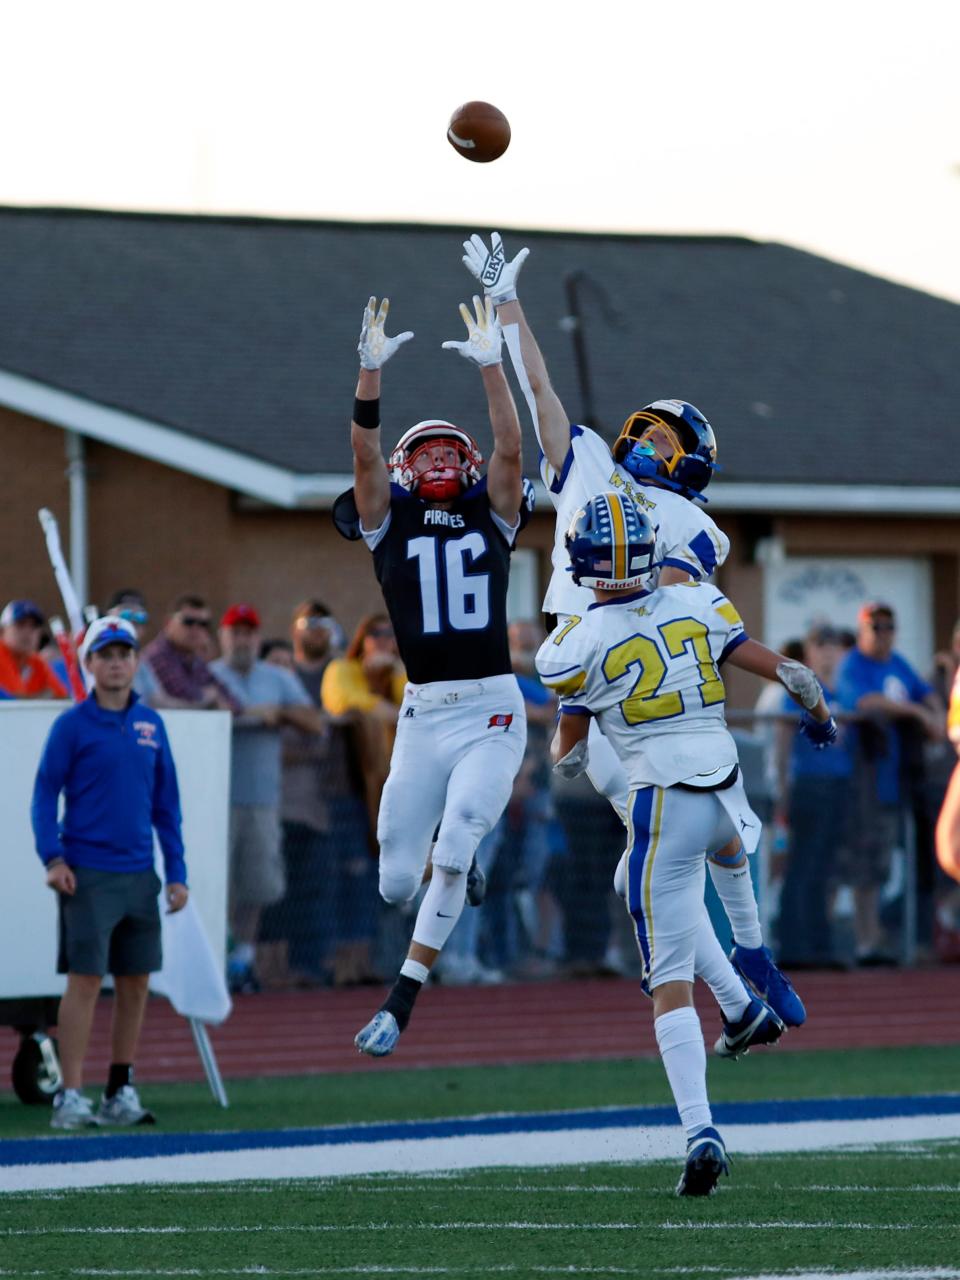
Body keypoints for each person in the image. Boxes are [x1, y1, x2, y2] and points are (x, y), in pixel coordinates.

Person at [460, 231, 804, 1029]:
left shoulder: (695, 523)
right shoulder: (587, 464)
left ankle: (749, 961)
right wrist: (507, 301)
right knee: (650, 871)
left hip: (634, 672)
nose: (647, 442)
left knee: (692, 848)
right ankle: (739, 1000)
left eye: (664, 440)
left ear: (691, 462)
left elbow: (677, 594)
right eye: (646, 432)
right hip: (584, 667)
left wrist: (623, 588)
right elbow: (539, 386)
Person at [535, 493, 836, 1195]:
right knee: (671, 875)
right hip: (725, 792)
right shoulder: (698, 601)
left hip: (660, 803)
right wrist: (820, 719)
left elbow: (566, 754)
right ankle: (746, 981)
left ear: (580, 565)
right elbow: (796, 676)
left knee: (667, 982)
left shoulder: (575, 642)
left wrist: (574, 740)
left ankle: (701, 1128)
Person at [342, 293, 526, 1056]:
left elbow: (514, 449)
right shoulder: (389, 517)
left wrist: (492, 366)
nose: (443, 458)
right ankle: (461, 852)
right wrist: (368, 376)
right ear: (404, 468)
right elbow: (359, 458)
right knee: (396, 881)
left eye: (452, 449)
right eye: (426, 452)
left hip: (490, 706)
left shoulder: (495, 510)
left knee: (450, 851)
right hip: (423, 713)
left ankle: (401, 1000)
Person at [30, 616, 189, 1129]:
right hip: (88, 874)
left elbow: (167, 807)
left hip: (140, 874)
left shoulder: (152, 725)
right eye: (106, 654)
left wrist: (178, 872)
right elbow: (42, 794)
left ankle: (120, 1089)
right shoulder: (72, 725)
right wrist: (52, 859)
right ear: (89, 664)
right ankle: (70, 1095)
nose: (117, 662)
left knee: (136, 982)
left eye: (125, 652)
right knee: (84, 980)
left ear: (136, 661)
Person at [209, 603, 325, 992]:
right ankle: (216, 959)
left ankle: (242, 959)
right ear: (222, 637)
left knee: (257, 886)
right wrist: (245, 716)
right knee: (217, 886)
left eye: (249, 632)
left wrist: (278, 712)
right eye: (235, 632)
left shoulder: (275, 678)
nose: (242, 640)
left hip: (262, 798)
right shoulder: (208, 677)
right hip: (215, 801)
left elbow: (314, 723)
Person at [835, 601, 945, 964]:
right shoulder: (853, 664)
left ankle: (890, 937)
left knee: (895, 866)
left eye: (888, 627)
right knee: (862, 865)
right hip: (861, 784)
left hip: (899, 784)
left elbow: (921, 690)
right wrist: (915, 712)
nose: (883, 634)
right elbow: (866, 701)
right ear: (862, 629)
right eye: (875, 627)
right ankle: (862, 940)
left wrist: (935, 712)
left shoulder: (897, 664)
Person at [774, 625, 852, 967]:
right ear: (809, 652)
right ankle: (795, 947)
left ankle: (820, 946)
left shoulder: (842, 690)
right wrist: (783, 791)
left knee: (825, 869)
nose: (829, 652)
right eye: (821, 645)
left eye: (833, 645)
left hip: (838, 786)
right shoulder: (798, 688)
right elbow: (783, 743)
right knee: (803, 867)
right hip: (808, 785)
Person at [143, 595, 241, 712]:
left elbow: (233, 703)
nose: (196, 629)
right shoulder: (158, 654)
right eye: (188, 622)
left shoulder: (194, 659)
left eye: (203, 624)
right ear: (168, 623)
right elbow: (184, 696)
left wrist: (214, 698)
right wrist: (209, 697)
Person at [0, 599, 68, 699]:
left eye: (34, 626)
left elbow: (62, 699)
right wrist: (43, 696)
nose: (27, 631)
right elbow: (13, 701)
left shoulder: (36, 662)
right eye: (20, 624)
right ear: (2, 631)